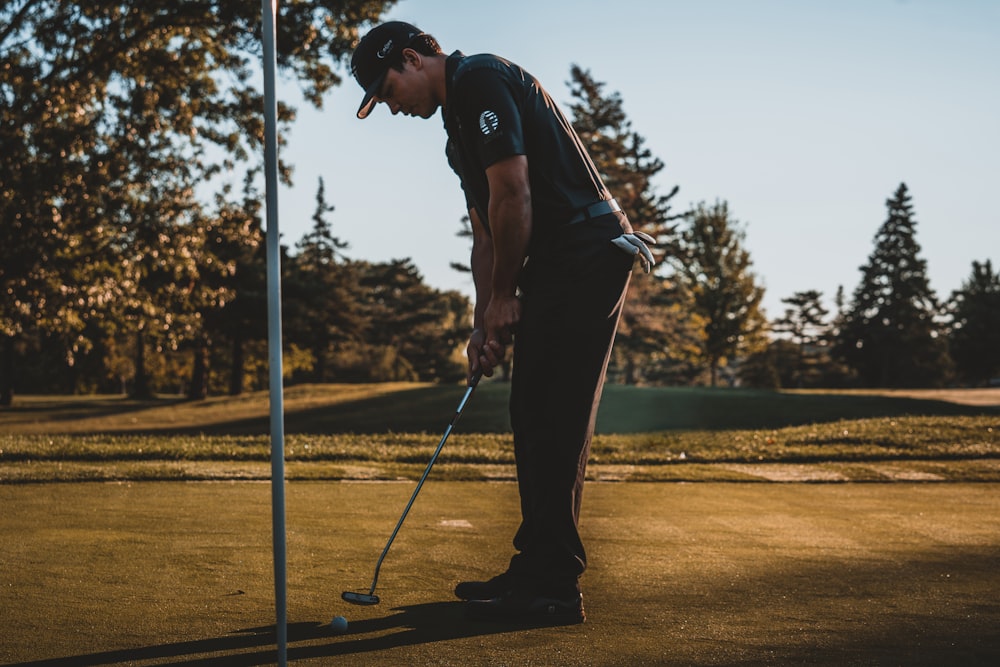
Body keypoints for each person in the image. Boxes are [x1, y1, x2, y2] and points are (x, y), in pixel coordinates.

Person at [351, 21, 653, 625]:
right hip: (553, 264)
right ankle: (536, 568)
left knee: (556, 415)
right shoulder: (454, 134)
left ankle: (555, 588)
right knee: (530, 410)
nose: (390, 108)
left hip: (587, 253)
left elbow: (515, 192)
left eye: (386, 91)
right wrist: (482, 320)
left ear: (412, 59)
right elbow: (487, 229)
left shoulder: (482, 79)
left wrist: (506, 295)